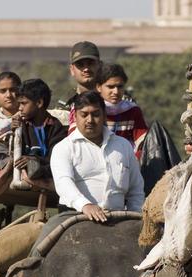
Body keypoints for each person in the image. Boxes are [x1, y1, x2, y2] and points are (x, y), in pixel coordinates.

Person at [51, 92, 145, 222]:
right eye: (84, 115)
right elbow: (63, 183)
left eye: (95, 114)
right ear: (75, 116)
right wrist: (85, 205)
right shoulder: (63, 148)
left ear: (104, 116)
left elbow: (136, 189)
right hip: (75, 218)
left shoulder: (123, 146)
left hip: (119, 219)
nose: (90, 120)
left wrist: (135, 216)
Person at [0, 78, 68, 183]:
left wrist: (32, 160)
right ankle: (12, 170)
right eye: (19, 104)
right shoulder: (21, 124)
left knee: (51, 166)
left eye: (23, 103)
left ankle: (26, 172)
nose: (19, 108)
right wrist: (13, 132)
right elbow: (14, 151)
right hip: (19, 166)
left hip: (43, 169)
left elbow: (54, 160)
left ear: (39, 103)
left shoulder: (55, 128)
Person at [95, 64, 148, 153]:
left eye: (120, 87)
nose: (116, 92)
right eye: (110, 87)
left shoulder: (132, 110)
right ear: (99, 87)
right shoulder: (92, 111)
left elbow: (142, 142)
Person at [63, 41, 102, 113]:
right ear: (72, 70)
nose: (86, 69)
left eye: (90, 63)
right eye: (80, 65)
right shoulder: (65, 104)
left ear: (99, 66)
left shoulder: (114, 100)